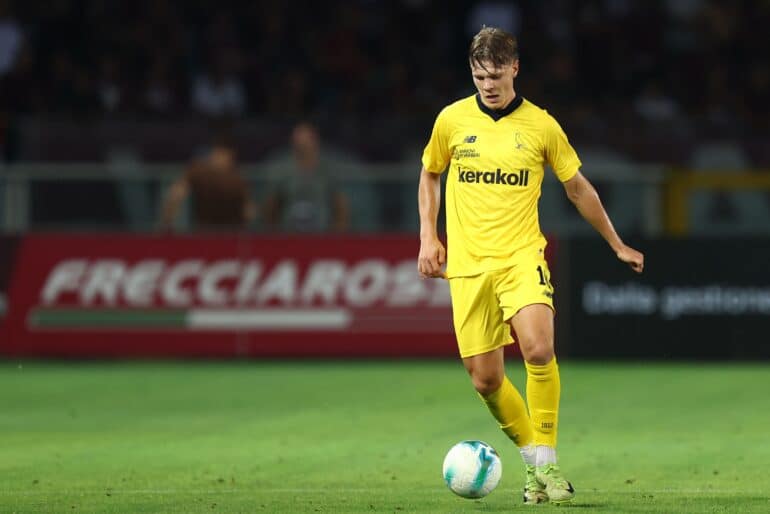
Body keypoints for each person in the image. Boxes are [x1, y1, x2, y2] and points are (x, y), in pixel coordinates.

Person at [417, 27, 644, 505]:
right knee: (486, 379)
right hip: (469, 266)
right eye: (480, 76)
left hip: (521, 257)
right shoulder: (451, 121)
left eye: (496, 75)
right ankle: (534, 467)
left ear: (515, 69)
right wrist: (428, 235)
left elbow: (577, 188)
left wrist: (616, 243)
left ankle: (550, 464)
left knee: (539, 349)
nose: (488, 85)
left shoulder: (541, 126)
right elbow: (430, 173)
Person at [263, 121, 349, 232]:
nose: (301, 144)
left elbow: (340, 206)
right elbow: (271, 206)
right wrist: (274, 232)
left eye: (305, 140)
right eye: (297, 140)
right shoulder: (283, 170)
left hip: (322, 234)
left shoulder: (328, 169)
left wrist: (337, 233)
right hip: (289, 234)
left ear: (315, 140)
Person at [159, 136, 256, 231]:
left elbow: (248, 211)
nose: (220, 159)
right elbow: (176, 194)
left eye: (224, 156)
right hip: (204, 231)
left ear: (232, 156)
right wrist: (167, 221)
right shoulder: (199, 171)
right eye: (218, 154)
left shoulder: (238, 179)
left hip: (231, 232)